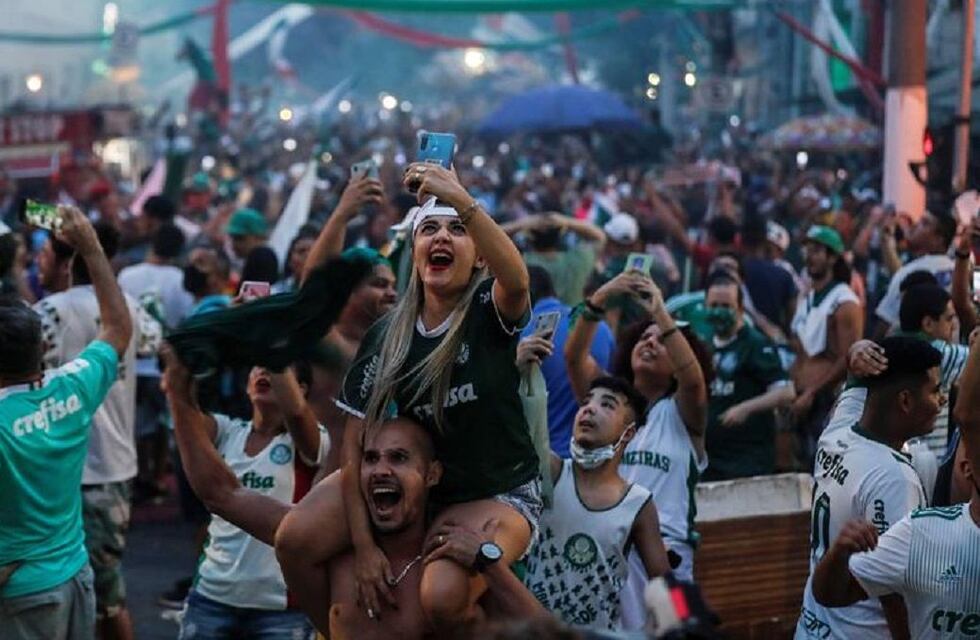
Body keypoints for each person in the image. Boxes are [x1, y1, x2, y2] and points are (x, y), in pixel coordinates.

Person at [274, 163, 540, 632]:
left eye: (457, 230)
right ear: (415, 251)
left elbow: (517, 281)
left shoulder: (486, 312)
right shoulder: (388, 334)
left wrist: (460, 197)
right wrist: (364, 546)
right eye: (429, 229)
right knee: (293, 540)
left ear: (480, 257)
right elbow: (354, 444)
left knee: (441, 596)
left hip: (496, 491)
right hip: (422, 481)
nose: (442, 237)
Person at [164, 344, 544, 638]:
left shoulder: (453, 566)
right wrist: (178, 393)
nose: (381, 470)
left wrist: (488, 563)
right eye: (371, 458)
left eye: (399, 458)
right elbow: (222, 495)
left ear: (432, 475)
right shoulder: (329, 551)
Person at [0, 205, 132, 640]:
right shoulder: (71, 388)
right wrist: (92, 248)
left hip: (20, 593)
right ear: (41, 350)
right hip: (74, 576)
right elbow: (117, 329)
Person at [563, 269, 711, 628]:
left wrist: (658, 310)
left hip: (671, 560)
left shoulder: (684, 413)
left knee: (678, 629)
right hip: (608, 545)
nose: (650, 343)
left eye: (662, 341)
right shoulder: (609, 406)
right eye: (644, 336)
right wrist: (601, 297)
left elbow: (693, 379)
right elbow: (574, 357)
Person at [809, 335, 980, 639]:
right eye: (935, 390)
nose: (942, 400)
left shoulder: (839, 427)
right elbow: (895, 590)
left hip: (812, 626)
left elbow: (855, 381)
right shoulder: (895, 479)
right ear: (905, 401)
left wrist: (856, 351)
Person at [163, 347, 329, 640]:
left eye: (276, 368)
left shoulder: (312, 441)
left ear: (301, 389)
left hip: (280, 609)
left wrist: (271, 345)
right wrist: (180, 365)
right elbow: (185, 415)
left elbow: (296, 412)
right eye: (257, 366)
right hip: (211, 598)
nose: (264, 371)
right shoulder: (226, 431)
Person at [32, 221, 144, 640]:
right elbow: (157, 344)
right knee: (103, 590)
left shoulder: (48, 312)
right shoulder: (128, 307)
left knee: (90, 593)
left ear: (66, 263)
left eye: (44, 254)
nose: (38, 262)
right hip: (115, 464)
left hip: (71, 470)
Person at [525, 376, 670, 630]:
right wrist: (526, 372)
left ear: (628, 433)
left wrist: (682, 620)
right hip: (536, 634)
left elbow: (667, 583)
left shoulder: (638, 503)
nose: (590, 409)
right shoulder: (553, 473)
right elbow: (525, 427)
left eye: (607, 404)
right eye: (585, 402)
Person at [118, 223, 194, 500]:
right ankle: (159, 476)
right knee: (165, 424)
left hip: (134, 363)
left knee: (137, 426)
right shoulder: (180, 279)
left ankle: (141, 476)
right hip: (165, 364)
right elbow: (186, 319)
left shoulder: (128, 275)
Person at [701, 272, 794, 480]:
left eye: (726, 306)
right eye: (714, 305)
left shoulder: (755, 344)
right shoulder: (705, 344)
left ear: (740, 309)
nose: (719, 311)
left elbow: (786, 392)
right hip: (711, 461)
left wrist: (745, 408)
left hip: (748, 460)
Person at [517, 266, 615, 457]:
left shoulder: (517, 335)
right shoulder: (601, 328)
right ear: (552, 291)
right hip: (593, 457)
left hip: (542, 460)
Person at [789, 225, 862, 462]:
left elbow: (847, 358)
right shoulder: (807, 299)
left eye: (816, 250)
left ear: (832, 257)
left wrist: (812, 391)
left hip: (827, 399)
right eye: (807, 250)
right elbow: (800, 353)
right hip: (802, 397)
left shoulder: (845, 302)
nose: (809, 256)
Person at [874, 211, 956, 337]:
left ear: (938, 240)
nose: (915, 225)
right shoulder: (957, 271)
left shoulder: (911, 271)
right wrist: (887, 243)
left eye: (924, 223)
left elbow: (884, 324)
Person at [503, 212, 606, 306]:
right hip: (572, 319)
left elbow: (493, 241)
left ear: (530, 237)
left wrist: (522, 224)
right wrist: (566, 222)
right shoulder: (578, 259)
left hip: (533, 319)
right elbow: (599, 237)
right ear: (560, 236)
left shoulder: (521, 262)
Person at [741, 214, 798, 333]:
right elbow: (793, 320)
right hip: (773, 340)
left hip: (740, 340)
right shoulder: (783, 275)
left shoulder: (732, 272)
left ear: (741, 240)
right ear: (765, 241)